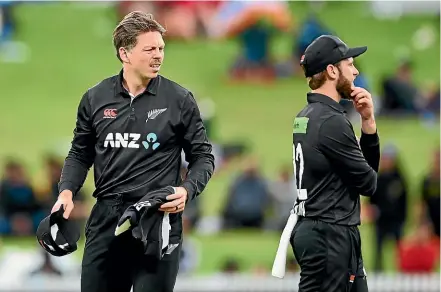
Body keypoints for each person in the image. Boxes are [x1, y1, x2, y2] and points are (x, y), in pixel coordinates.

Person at [50, 11, 215, 292]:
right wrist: (66, 193)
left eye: (161, 48)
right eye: (149, 49)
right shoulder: (95, 98)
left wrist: (187, 190)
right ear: (124, 53)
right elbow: (79, 154)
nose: (158, 55)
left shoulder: (180, 100)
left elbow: (203, 157)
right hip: (107, 219)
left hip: (157, 219)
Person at [289, 35, 380, 292]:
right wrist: (370, 133)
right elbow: (369, 182)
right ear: (331, 71)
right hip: (330, 233)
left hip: (320, 228)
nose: (355, 71)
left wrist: (367, 123)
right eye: (349, 64)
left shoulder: (304, 116)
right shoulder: (332, 121)